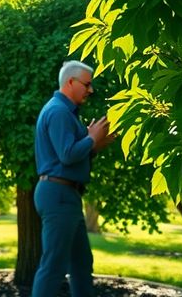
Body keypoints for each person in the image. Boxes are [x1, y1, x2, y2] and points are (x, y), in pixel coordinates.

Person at [32, 60, 115, 296]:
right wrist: (91, 138)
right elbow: (67, 155)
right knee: (53, 266)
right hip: (57, 196)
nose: (91, 90)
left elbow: (71, 157)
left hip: (66, 195)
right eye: (87, 84)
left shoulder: (66, 113)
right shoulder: (58, 112)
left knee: (81, 263)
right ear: (70, 82)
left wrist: (94, 144)